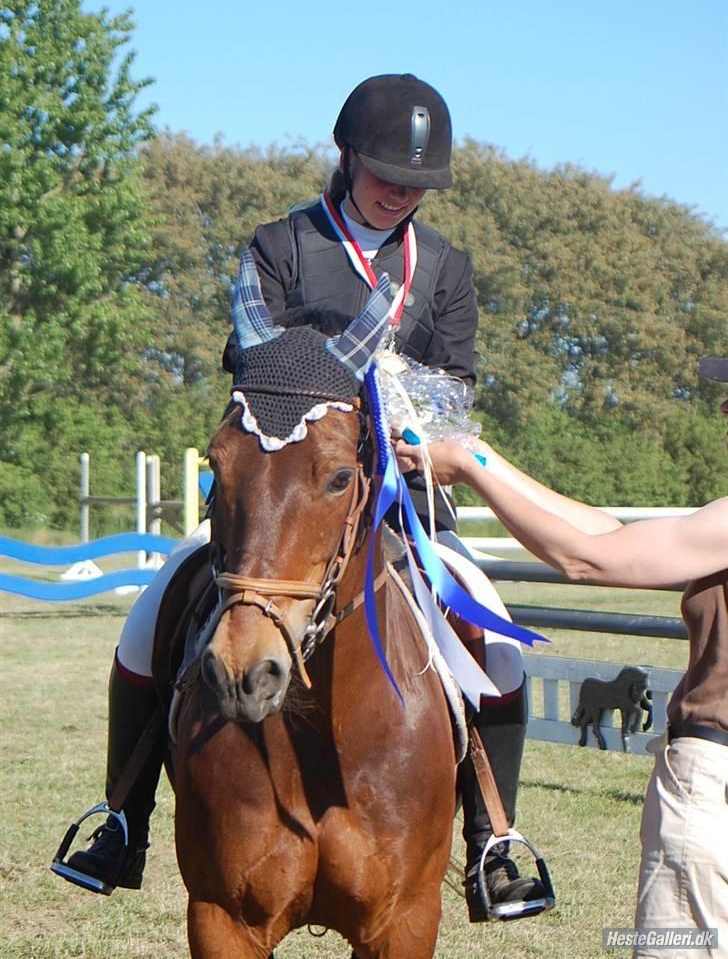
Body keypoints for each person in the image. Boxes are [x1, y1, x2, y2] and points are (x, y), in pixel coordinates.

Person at [54, 73, 545, 921]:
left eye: (419, 183)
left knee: (496, 641)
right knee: (154, 613)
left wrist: (411, 432)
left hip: (400, 497)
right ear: (346, 154)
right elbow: (249, 360)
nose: (401, 192)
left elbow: (456, 385)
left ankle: (494, 837)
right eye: (388, 172)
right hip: (281, 494)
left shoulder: (448, 271)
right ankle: (122, 817)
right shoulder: (279, 244)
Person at [395, 356, 728, 951]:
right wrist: (482, 456)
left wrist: (472, 469)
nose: (725, 408)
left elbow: (587, 559)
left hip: (713, 788)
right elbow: (609, 535)